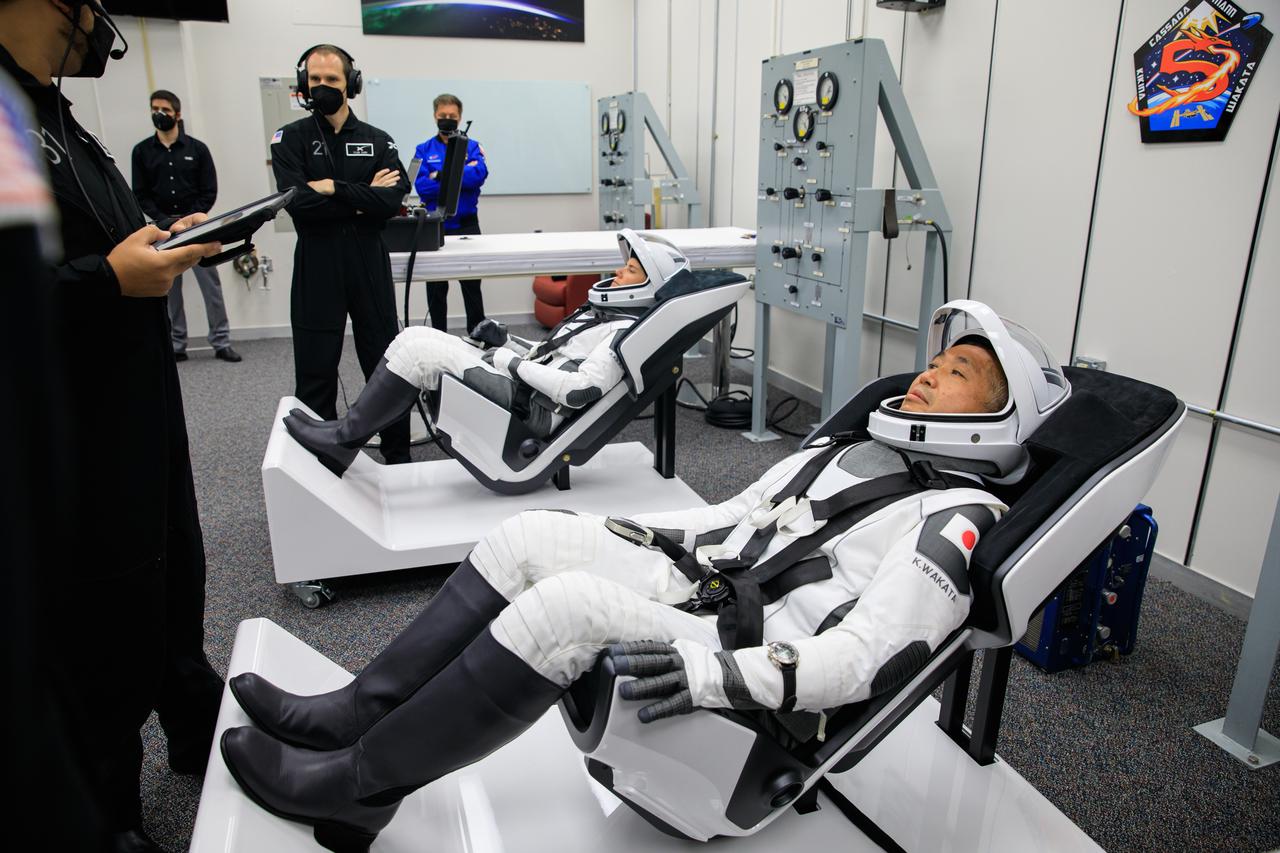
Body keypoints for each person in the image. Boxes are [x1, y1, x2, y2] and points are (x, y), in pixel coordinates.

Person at [221, 300, 1073, 851]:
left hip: (755, 669)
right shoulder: (858, 445)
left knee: (564, 608)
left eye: (958, 372)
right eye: (938, 360)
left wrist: (717, 671)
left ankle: (358, 789)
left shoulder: (957, 519)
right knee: (527, 534)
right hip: (707, 587)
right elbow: (734, 514)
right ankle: (354, 712)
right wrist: (625, 534)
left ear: (1001, 413)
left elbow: (862, 659)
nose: (928, 371)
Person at [0, 2, 226, 851]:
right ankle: (108, 816)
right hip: (74, 426)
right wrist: (108, 278)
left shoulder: (53, 113)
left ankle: (194, 726)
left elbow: (99, 236)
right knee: (97, 622)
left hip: (140, 406)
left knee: (170, 570)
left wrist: (158, 244)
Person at [284, 228, 683, 477]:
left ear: (649, 285)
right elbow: (552, 357)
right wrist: (506, 342)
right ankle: (345, 435)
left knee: (419, 352)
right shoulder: (607, 315)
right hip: (526, 387)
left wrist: (510, 362)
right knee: (412, 339)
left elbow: (580, 391)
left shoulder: (622, 332)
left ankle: (342, 440)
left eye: (630, 270)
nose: (618, 274)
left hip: (536, 410)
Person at [271, 43, 410, 464]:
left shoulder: (377, 139)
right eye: (315, 80)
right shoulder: (289, 139)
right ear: (303, 85)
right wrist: (364, 197)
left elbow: (393, 201)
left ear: (350, 84)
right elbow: (296, 202)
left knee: (388, 369)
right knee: (315, 370)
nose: (322, 87)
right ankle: (320, 465)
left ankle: (398, 458)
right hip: (317, 264)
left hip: (368, 261)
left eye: (332, 79)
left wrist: (332, 188)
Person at [132, 88, 242, 363]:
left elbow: (209, 191)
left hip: (198, 228)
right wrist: (166, 222)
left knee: (211, 286)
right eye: (154, 109)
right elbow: (140, 193)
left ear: (177, 114)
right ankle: (177, 343)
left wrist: (192, 221)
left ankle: (221, 341)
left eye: (165, 110)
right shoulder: (142, 151)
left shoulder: (197, 149)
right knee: (168, 288)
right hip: (162, 230)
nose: (159, 114)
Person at [412, 93, 488, 334]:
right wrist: (458, 173)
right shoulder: (423, 149)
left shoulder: (472, 146)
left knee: (472, 285)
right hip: (436, 227)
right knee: (436, 288)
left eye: (452, 116)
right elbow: (422, 186)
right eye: (443, 116)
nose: (447, 120)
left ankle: (477, 337)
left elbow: (479, 177)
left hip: (467, 226)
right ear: (435, 116)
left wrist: (441, 175)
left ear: (460, 117)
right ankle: (438, 337)